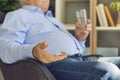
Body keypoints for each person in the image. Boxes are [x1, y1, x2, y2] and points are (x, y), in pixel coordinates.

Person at [0, 0, 120, 80]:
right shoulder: (18, 15)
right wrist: (32, 51)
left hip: (81, 59)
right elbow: (5, 49)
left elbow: (76, 50)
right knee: (109, 72)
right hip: (56, 63)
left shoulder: (53, 19)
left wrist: (79, 38)